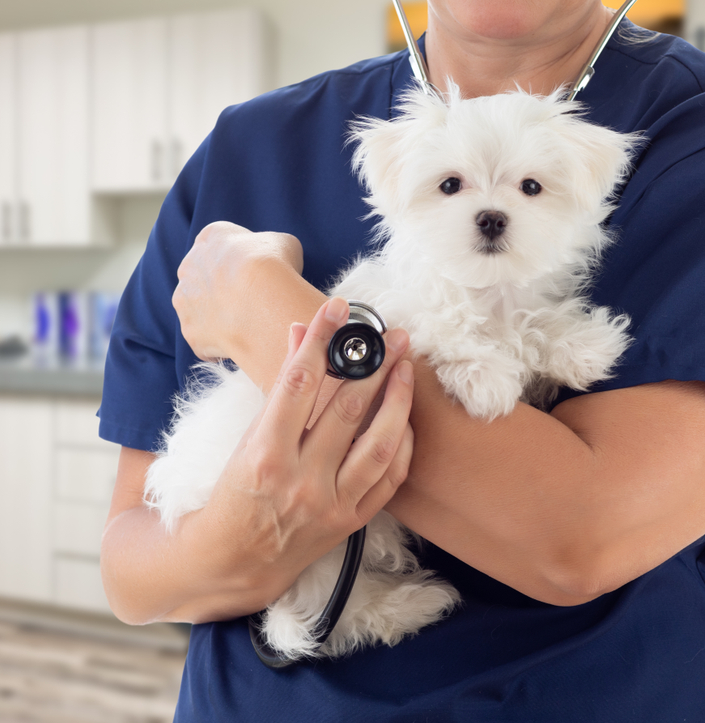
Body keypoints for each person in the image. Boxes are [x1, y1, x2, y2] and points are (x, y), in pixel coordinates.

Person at [98, 1, 705, 720]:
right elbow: (133, 574)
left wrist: (267, 313)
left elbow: (579, 540)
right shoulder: (247, 144)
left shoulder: (681, 131)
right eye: (452, 187)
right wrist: (251, 532)